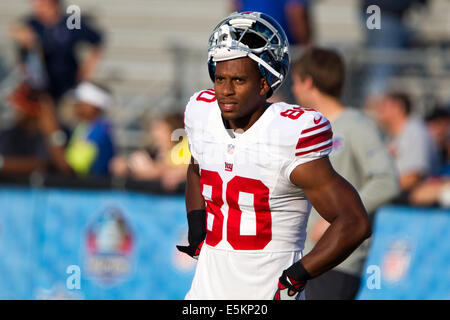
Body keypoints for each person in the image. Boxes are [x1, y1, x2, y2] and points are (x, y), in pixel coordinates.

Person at [176, 12, 371, 300]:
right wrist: (196, 223)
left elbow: (354, 221)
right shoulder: (201, 112)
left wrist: (297, 274)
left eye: (239, 80)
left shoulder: (289, 134)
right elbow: (197, 168)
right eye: (220, 79)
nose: (225, 91)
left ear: (265, 84)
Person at [290, 47, 400, 299]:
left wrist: (341, 218)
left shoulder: (356, 125)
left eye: (296, 82)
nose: (294, 89)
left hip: (338, 258)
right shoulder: (305, 126)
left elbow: (387, 181)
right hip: (305, 257)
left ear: (308, 82)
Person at [10, 0, 103, 103]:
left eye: (41, 4)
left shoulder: (70, 22)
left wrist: (87, 68)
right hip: (41, 87)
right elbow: (25, 54)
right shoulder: (31, 24)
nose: (36, 7)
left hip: (68, 82)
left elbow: (96, 40)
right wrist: (27, 43)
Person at [373, 92, 440, 193]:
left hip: (414, 196)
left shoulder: (415, 131)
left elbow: (413, 177)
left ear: (399, 108)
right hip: (398, 193)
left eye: (384, 106)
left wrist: (377, 191)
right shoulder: (390, 136)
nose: (379, 110)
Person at [110, 113, 191, 192]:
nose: (156, 135)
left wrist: (138, 169)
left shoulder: (186, 148)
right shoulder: (161, 153)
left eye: (161, 130)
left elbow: (162, 171)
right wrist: (128, 166)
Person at [65, 81, 115, 177]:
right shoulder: (81, 127)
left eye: (81, 103)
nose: (76, 106)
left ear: (94, 106)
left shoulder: (100, 130)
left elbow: (78, 165)